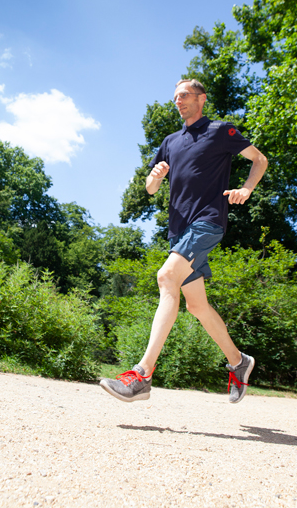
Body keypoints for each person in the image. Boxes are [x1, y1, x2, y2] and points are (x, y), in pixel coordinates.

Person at [100, 79, 268, 404]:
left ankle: (142, 376)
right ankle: (239, 361)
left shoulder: (221, 132)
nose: (178, 100)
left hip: (207, 222)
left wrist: (246, 189)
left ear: (201, 99)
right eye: (175, 96)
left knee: (166, 277)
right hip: (179, 230)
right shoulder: (170, 141)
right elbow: (149, 188)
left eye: (185, 95)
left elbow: (258, 160)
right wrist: (156, 177)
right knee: (196, 305)